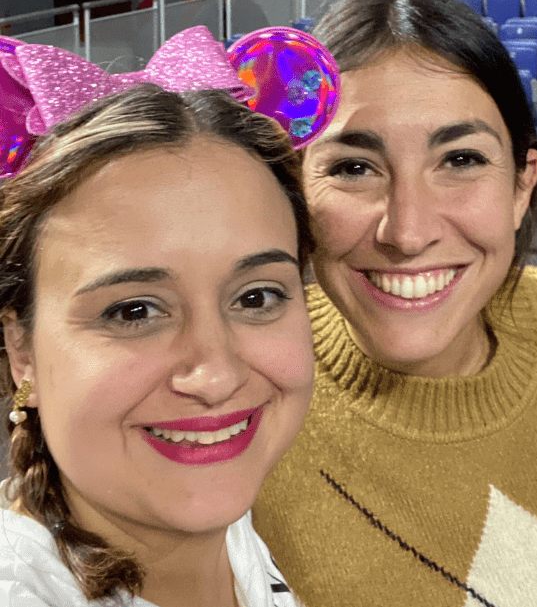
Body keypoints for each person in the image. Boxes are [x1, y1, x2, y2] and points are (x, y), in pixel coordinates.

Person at [253, 0, 537, 607]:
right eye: (354, 168)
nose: (407, 233)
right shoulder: (237, 424)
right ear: (295, 192)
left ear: (522, 186)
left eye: (460, 160)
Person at [0, 46, 319, 607]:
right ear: (20, 346)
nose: (216, 376)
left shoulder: (230, 525)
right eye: (134, 312)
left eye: (256, 297)